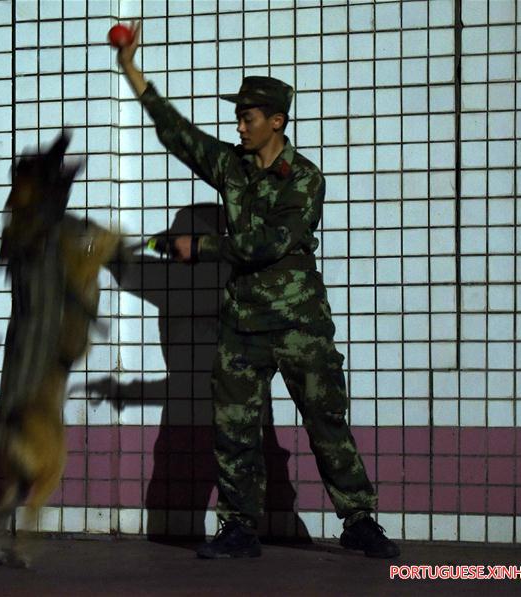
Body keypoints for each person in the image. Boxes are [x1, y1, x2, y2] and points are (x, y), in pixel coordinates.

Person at [116, 22, 399, 559]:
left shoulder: (304, 179)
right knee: (234, 431)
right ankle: (239, 527)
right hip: (243, 325)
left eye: (248, 118)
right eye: (238, 118)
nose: (239, 126)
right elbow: (179, 134)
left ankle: (360, 521)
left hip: (299, 325)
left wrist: (201, 248)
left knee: (326, 424)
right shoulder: (232, 167)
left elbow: (268, 242)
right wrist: (133, 71)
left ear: (276, 121)